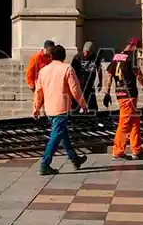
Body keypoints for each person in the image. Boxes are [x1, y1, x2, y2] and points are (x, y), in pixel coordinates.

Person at [33, 45, 88, 176]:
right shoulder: (67, 69)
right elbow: (75, 89)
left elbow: (38, 91)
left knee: (62, 134)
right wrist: (83, 104)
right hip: (62, 108)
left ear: (51, 56)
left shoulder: (43, 70)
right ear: (64, 57)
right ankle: (45, 164)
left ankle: (75, 159)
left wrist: (36, 108)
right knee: (56, 135)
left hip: (49, 108)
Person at [102, 37, 143, 160]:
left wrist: (107, 92)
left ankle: (137, 149)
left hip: (119, 93)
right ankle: (117, 151)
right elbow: (138, 76)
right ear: (135, 46)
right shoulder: (132, 57)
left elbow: (109, 75)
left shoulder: (116, 56)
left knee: (134, 121)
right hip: (129, 95)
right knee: (124, 124)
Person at [70, 41, 102, 113]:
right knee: (75, 106)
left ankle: (92, 119)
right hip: (79, 85)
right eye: (85, 51)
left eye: (88, 52)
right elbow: (71, 71)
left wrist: (100, 82)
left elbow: (99, 70)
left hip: (90, 85)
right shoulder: (77, 57)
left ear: (92, 52)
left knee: (93, 107)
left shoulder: (95, 57)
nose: (86, 54)